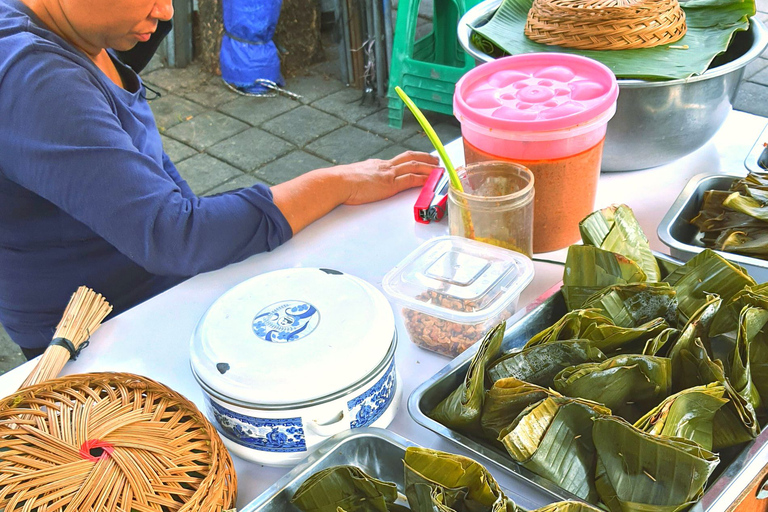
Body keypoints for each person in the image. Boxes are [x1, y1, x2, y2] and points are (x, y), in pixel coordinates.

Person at [0, 0, 439, 358]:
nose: (167, 13)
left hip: (157, 281)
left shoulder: (74, 26)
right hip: (98, 333)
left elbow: (140, 158)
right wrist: (337, 183)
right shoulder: (38, 81)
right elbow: (175, 236)